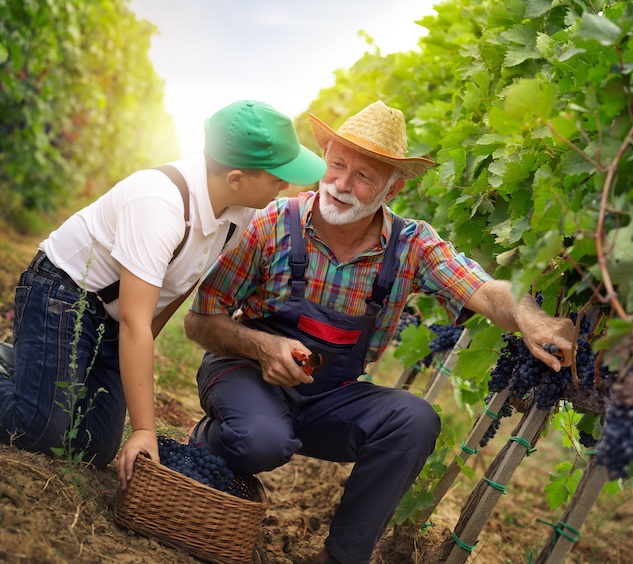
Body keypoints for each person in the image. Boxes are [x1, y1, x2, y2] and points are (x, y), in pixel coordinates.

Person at [183, 100, 575, 564]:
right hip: (246, 375)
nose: (341, 185)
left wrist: (529, 316)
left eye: (364, 176)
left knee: (415, 420)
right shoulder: (274, 223)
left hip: (327, 396)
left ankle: (342, 558)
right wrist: (261, 345)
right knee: (262, 439)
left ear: (393, 187)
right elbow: (200, 318)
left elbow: (485, 290)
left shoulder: (412, 246)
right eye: (337, 165)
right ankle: (215, 440)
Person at [0, 100, 327, 490]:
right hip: (63, 294)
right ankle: (22, 361)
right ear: (237, 178)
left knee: (94, 447)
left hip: (112, 314)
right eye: (278, 176)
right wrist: (142, 429)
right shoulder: (159, 204)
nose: (286, 186)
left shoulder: (239, 212)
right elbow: (134, 321)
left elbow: (181, 280)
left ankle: (30, 363)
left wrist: (123, 353)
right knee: (38, 433)